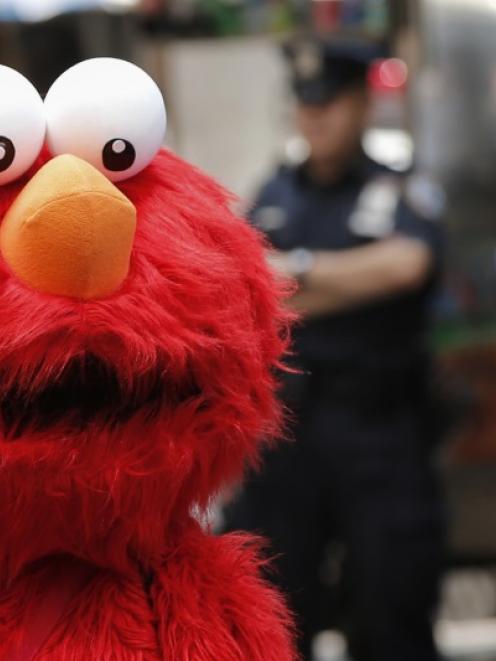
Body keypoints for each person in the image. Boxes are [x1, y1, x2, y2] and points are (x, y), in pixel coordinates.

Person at [224, 34, 446, 661]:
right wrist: (344, 279)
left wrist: (292, 273)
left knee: (391, 609)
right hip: (285, 433)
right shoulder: (273, 192)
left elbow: (406, 266)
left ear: (361, 104)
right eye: (304, 102)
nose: (314, 114)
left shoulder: (400, 187)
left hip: (379, 433)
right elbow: (243, 293)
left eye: (330, 101)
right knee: (271, 615)